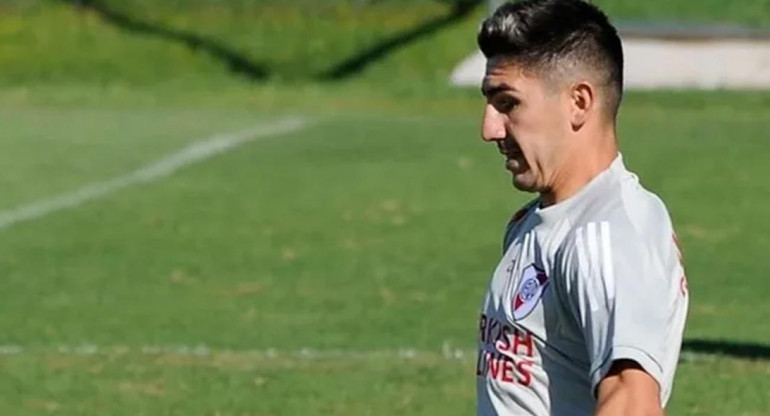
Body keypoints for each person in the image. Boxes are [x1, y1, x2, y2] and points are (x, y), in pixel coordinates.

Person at [474, 1, 689, 415]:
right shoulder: (539, 221)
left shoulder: (608, 236)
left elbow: (632, 401)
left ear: (579, 102)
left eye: (508, 103)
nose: (489, 129)